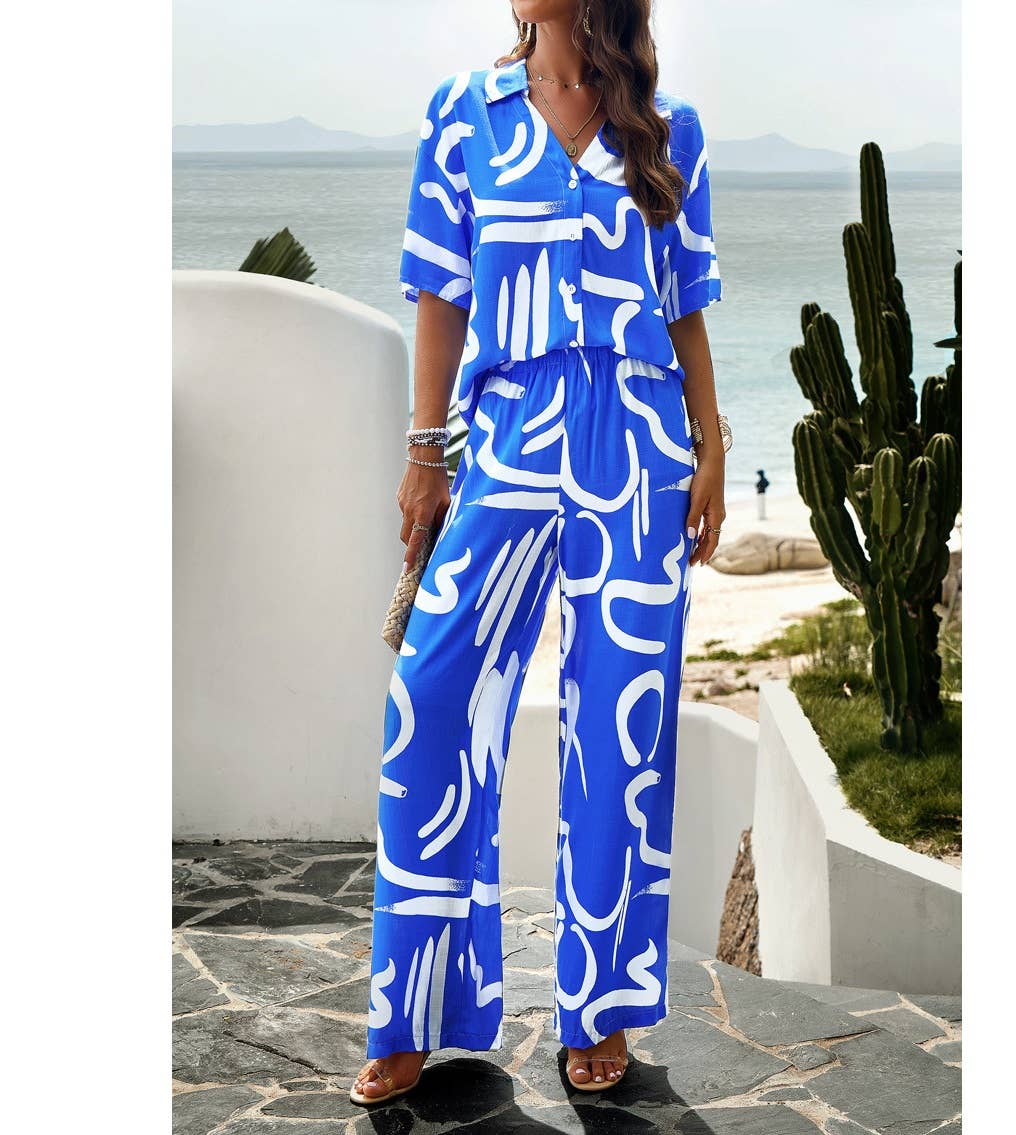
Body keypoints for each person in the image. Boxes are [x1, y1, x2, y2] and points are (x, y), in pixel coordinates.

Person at [352, 0, 729, 1106]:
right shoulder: (464, 114)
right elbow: (439, 290)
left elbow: (686, 302)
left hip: (640, 443)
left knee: (617, 727)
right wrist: (425, 451)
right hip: (511, 431)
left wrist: (710, 447)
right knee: (430, 698)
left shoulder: (666, 125)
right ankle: (417, 1004)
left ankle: (598, 1007)